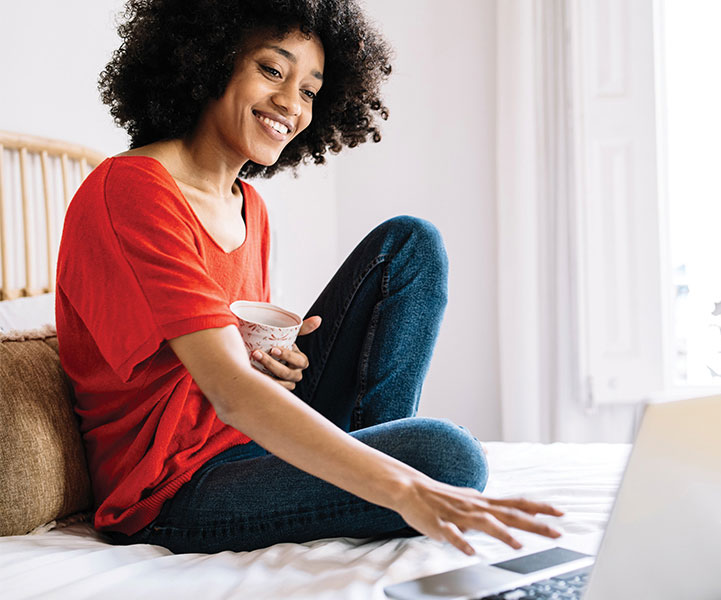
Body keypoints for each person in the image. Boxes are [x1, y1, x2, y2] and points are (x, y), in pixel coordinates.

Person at [55, 0, 562, 555]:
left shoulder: (250, 206)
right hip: (173, 486)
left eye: (309, 91)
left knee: (411, 244)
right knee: (446, 457)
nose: (290, 105)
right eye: (272, 70)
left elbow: (228, 369)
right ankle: (385, 483)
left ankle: (372, 465)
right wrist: (408, 485)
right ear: (208, 62)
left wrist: (272, 365)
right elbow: (228, 390)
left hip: (245, 439)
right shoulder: (132, 190)